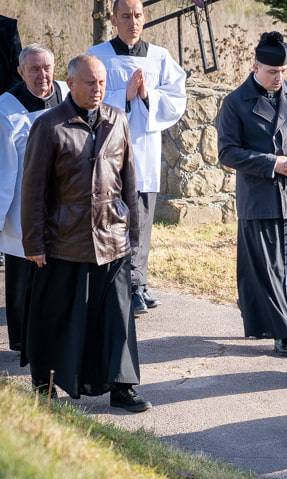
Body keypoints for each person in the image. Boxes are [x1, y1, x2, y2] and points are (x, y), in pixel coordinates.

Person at [20, 54, 148, 412]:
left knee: (117, 317)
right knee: (56, 315)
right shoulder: (49, 125)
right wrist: (34, 242)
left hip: (112, 236)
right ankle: (46, 385)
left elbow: (129, 181)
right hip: (65, 239)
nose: (97, 89)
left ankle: (123, 387)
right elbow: (33, 189)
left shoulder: (118, 119)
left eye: (102, 83)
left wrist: (132, 236)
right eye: (90, 83)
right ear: (71, 83)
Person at [89, 0, 187, 316]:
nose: (133, 21)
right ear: (114, 19)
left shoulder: (160, 57)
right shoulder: (98, 56)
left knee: (142, 221)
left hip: (145, 151)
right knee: (115, 220)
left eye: (138, 15)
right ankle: (122, 285)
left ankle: (138, 284)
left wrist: (147, 95)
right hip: (110, 154)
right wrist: (124, 96)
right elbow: (87, 99)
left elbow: (177, 98)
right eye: (126, 16)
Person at [217, 31, 287, 358]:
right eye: (272, 72)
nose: (278, 78)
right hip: (258, 199)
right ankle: (284, 333)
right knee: (269, 268)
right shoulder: (234, 102)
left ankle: (276, 321)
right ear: (255, 66)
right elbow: (228, 152)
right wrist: (274, 163)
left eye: (283, 71)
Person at [0, 44, 68, 353]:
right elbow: (4, 168)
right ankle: (23, 341)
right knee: (24, 276)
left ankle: (55, 336)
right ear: (20, 72)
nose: (42, 75)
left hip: (64, 202)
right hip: (22, 203)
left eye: (47, 68)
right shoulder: (7, 108)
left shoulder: (68, 93)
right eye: (34, 69)